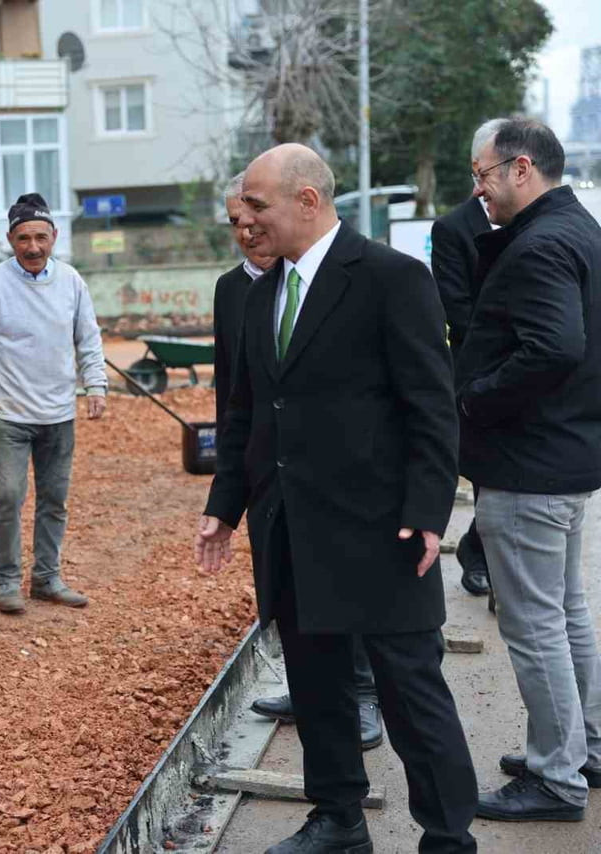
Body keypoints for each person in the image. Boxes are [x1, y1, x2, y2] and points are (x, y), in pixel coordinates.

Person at [197, 145, 477, 854]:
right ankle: (337, 820)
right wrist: (225, 507)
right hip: (292, 527)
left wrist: (425, 514)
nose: (246, 220)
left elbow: (432, 409)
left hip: (383, 532)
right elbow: (246, 413)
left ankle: (448, 835)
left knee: (412, 695)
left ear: (308, 202)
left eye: (257, 205)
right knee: (318, 688)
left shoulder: (390, 278)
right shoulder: (260, 294)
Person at [459, 117, 601, 822]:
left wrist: (472, 402)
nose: (476, 190)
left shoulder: (542, 244)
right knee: (565, 613)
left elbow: (553, 348)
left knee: (535, 624)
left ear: (520, 169)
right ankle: (583, 748)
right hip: (567, 455)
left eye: (481, 174)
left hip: (527, 463)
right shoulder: (581, 231)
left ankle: (555, 777)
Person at [215, 172, 383, 751]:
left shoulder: (350, 281)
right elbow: (232, 393)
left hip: (336, 483)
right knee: (290, 599)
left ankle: (361, 697)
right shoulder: (236, 291)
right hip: (271, 476)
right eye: (236, 222)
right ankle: (307, 689)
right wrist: (230, 486)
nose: (247, 230)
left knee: (342, 601)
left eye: (254, 215)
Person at [0, 193, 107, 615]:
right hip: (9, 414)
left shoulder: (72, 282)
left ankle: (46, 577)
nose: (34, 247)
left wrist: (96, 385)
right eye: (24, 238)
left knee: (54, 499)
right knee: (7, 495)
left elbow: (88, 339)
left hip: (59, 412)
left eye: (41, 237)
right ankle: (7, 582)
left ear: (54, 236)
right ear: (10, 239)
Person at [430, 119, 504, 599]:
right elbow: (455, 307)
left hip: (538, 364)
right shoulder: (453, 229)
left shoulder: (541, 221)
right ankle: (488, 565)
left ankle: (486, 552)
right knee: (488, 474)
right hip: (482, 369)